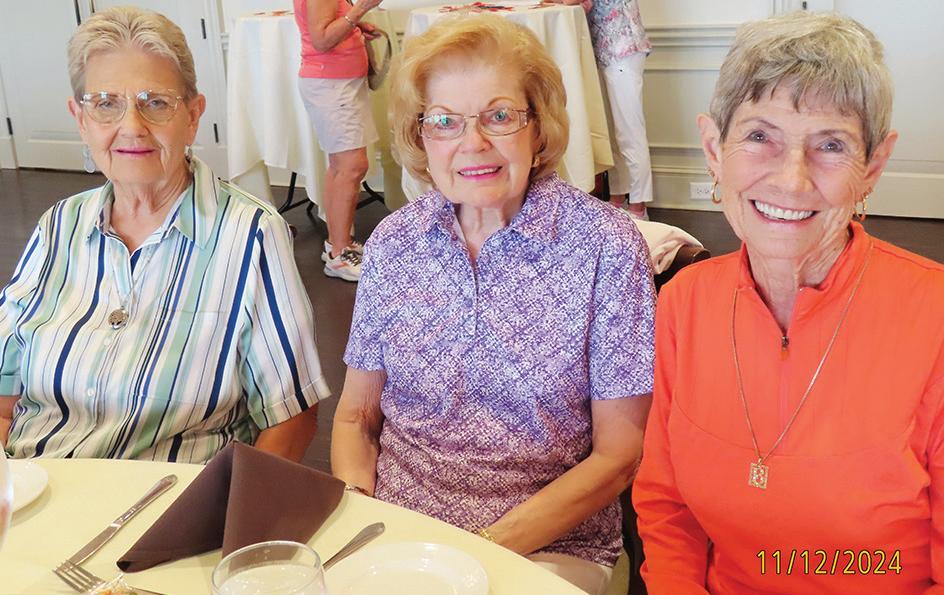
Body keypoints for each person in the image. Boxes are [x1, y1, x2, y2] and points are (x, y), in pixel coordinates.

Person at [331, 15, 655, 595]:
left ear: (539, 127)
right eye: (444, 121)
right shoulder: (394, 243)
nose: (473, 142)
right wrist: (360, 518)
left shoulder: (606, 246)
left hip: (549, 546)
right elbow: (356, 416)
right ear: (420, 137)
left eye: (499, 116)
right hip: (399, 535)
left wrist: (472, 553)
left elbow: (618, 456)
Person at [633, 11, 944, 593]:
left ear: (873, 167)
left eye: (831, 145)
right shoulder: (684, 303)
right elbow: (667, 506)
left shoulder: (935, 320)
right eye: (759, 136)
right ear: (713, 149)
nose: (792, 180)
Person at [0, 7, 330, 464]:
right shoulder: (59, 225)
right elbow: (5, 394)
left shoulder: (249, 234)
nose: (132, 127)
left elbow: (292, 417)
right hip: (34, 486)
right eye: (105, 103)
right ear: (80, 118)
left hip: (170, 498)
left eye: (155, 102)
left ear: (193, 115)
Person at [294, 0, 382, 282]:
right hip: (332, 84)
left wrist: (355, 24)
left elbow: (326, 26)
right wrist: (360, 9)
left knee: (341, 166)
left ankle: (337, 244)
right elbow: (321, 39)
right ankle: (339, 255)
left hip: (337, 82)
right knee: (351, 166)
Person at [559, 0, 653, 219]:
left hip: (623, 47)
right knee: (613, 134)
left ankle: (638, 206)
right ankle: (618, 197)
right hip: (606, 50)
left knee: (630, 134)